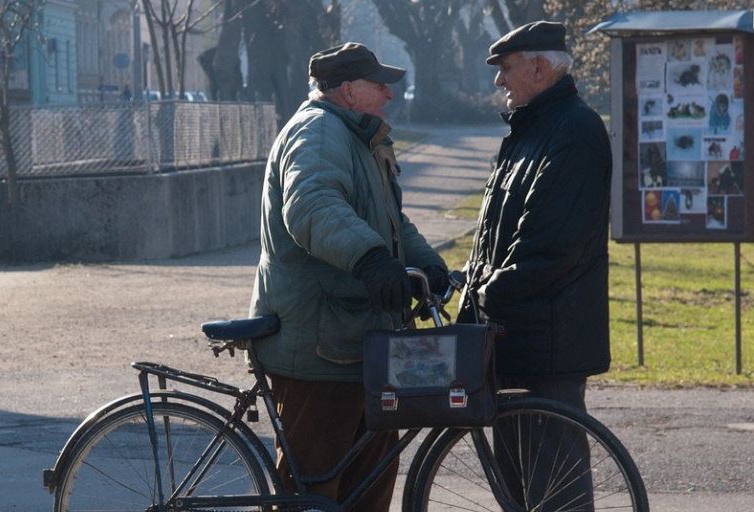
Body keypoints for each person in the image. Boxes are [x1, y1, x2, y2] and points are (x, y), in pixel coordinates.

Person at [248, 42, 448, 511]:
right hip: (320, 348)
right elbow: (313, 207)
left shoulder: (359, 137)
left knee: (368, 487)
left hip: (358, 343)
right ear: (347, 90)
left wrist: (429, 265)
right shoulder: (319, 132)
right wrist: (372, 261)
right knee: (313, 493)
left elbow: (391, 221)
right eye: (379, 85)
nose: (389, 94)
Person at [458, 21, 613, 509]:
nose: (498, 80)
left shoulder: (574, 131)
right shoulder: (532, 129)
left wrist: (485, 293)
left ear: (540, 68)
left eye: (506, 68)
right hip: (516, 337)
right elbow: (498, 235)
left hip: (548, 343)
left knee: (555, 493)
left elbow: (550, 245)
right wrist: (469, 283)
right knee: (519, 490)